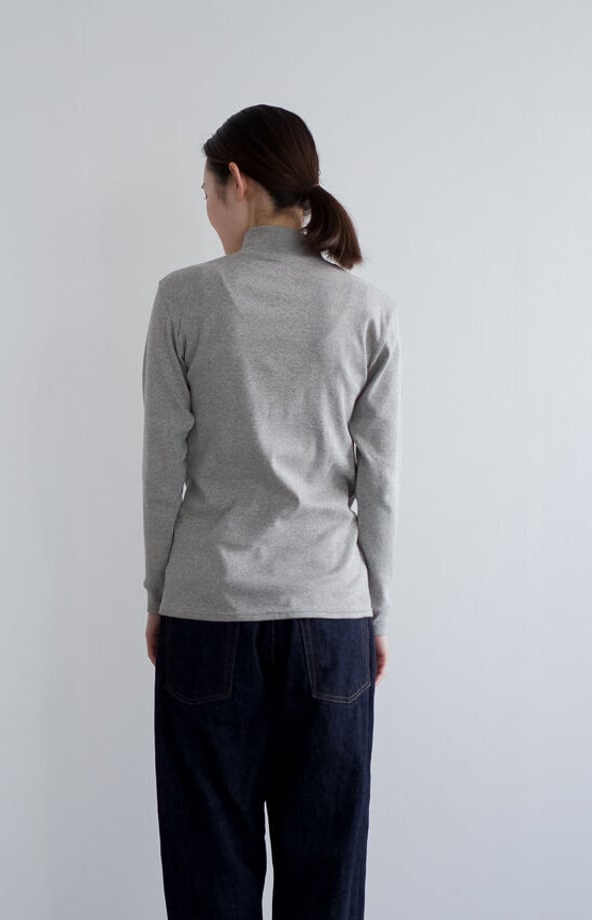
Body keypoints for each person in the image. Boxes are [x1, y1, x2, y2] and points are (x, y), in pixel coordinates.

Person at [141, 104, 402, 920]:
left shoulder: (185, 299)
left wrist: (158, 596)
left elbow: (162, 471)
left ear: (239, 182)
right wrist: (375, 613)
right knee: (327, 889)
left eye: (207, 194)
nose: (209, 213)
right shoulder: (366, 309)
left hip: (208, 615)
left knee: (209, 884)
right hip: (331, 621)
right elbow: (380, 484)